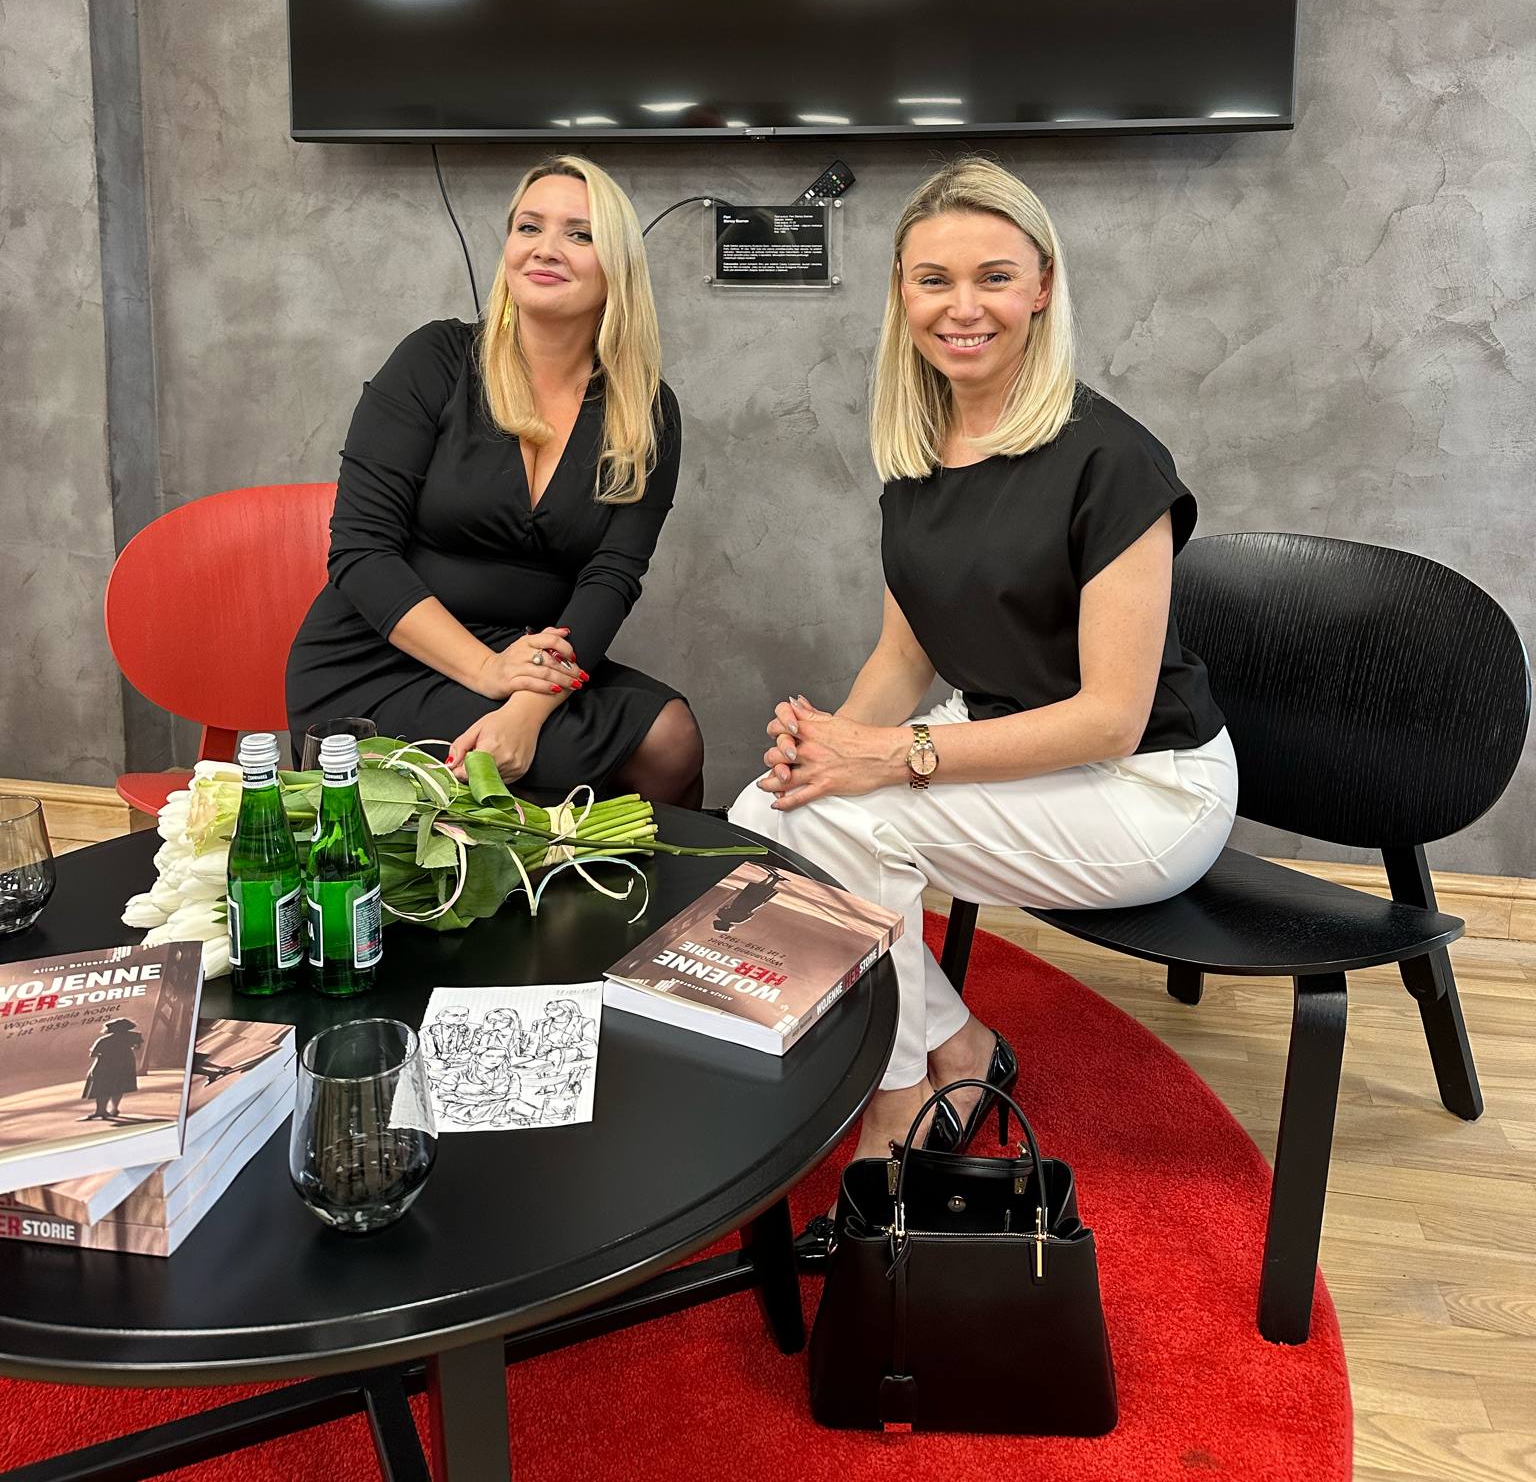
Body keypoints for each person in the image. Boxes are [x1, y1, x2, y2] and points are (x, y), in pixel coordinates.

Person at [729, 158, 1237, 1163]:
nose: (962, 308)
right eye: (934, 280)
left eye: (994, 277)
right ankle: (958, 1043)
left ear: (1042, 286)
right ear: (902, 293)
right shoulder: (917, 452)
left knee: (843, 824)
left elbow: (1112, 719)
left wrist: (889, 757)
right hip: (1006, 743)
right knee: (769, 812)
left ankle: (897, 1097)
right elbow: (903, 653)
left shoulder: (1112, 460)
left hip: (1147, 784)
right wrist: (829, 748)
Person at [287, 156, 703, 806]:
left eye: (579, 234)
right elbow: (361, 553)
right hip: (377, 659)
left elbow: (610, 579)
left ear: (618, 265)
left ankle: (629, 877)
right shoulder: (434, 360)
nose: (546, 248)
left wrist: (525, 707)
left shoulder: (646, 410)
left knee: (670, 737)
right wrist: (488, 671)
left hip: (525, 657)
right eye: (529, 227)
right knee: (572, 758)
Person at [80, 1016, 143, 1121]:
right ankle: (114, 1109)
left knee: (102, 1088)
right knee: (119, 1087)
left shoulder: (104, 1040)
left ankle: (100, 1110)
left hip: (105, 1065)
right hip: (124, 1064)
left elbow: (93, 1054)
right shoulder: (132, 1037)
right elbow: (137, 1047)